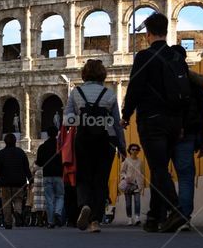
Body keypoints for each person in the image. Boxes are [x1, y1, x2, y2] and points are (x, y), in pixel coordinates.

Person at [121, 11, 190, 233]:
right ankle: (153, 217)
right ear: (167, 31)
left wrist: (126, 114)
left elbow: (135, 88)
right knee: (160, 168)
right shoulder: (178, 58)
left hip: (151, 120)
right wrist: (181, 124)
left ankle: (177, 210)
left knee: (158, 168)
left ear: (149, 34)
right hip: (174, 122)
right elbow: (185, 93)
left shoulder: (143, 57)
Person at [65, 59, 126, 233]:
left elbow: (67, 118)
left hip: (83, 140)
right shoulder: (110, 94)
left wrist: (81, 120)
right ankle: (95, 221)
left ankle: (85, 204)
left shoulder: (76, 93)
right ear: (102, 74)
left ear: (85, 74)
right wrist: (122, 147)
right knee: (100, 180)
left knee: (84, 176)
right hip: (105, 141)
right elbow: (116, 124)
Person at [170, 47, 203, 228]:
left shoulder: (163, 81)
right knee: (186, 175)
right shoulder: (195, 83)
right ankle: (184, 216)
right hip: (188, 133)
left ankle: (165, 213)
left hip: (163, 133)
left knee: (160, 173)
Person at [0, 132, 33, 228]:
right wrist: (30, 179)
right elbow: (26, 167)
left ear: (5, 142)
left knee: (6, 201)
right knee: (18, 199)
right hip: (19, 181)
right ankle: (17, 212)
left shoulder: (0, 153)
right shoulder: (21, 152)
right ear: (15, 142)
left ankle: (8, 222)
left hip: (5, 182)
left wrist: (0, 176)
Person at [35, 126, 64, 228]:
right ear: (57, 133)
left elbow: (39, 163)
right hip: (59, 175)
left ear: (47, 134)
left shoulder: (42, 147)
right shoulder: (61, 146)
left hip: (47, 175)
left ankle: (51, 222)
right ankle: (58, 212)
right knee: (60, 196)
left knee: (49, 199)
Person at [119, 143, 144, 225]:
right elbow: (122, 172)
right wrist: (125, 177)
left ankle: (137, 218)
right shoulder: (126, 160)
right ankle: (129, 218)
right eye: (133, 149)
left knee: (137, 202)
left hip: (137, 184)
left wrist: (143, 186)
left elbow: (142, 174)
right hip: (128, 184)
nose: (134, 151)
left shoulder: (140, 161)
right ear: (129, 150)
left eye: (136, 149)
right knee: (128, 203)